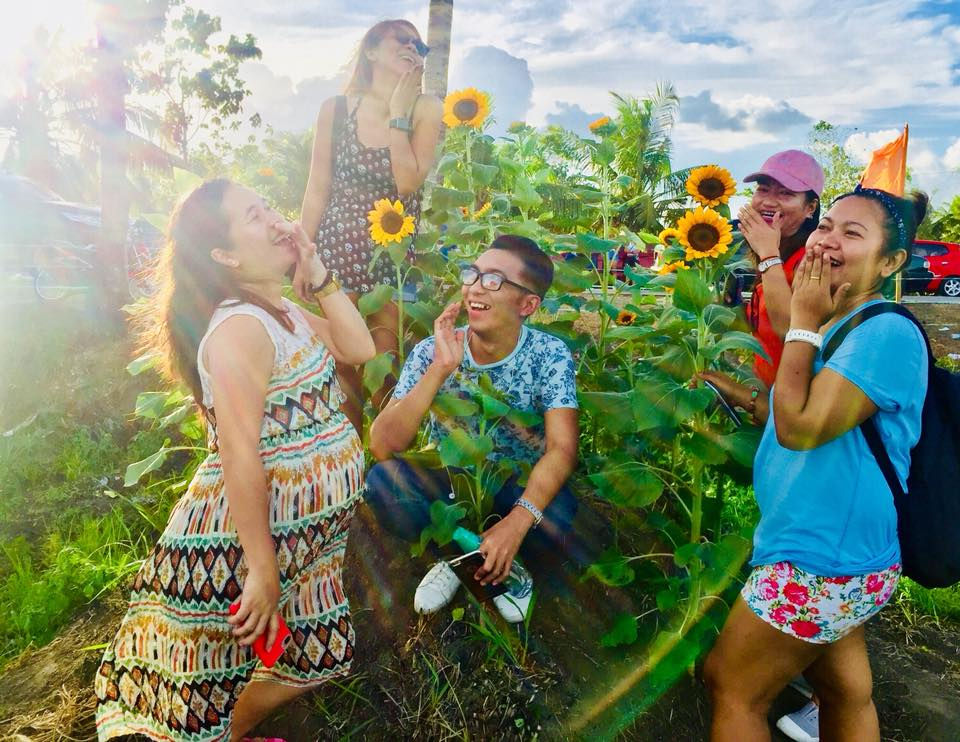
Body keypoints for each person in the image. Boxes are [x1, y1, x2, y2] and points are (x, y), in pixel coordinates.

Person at [95, 180, 376, 741]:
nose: (276, 220)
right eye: (254, 215)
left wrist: (318, 273)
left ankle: (229, 734)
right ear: (224, 254)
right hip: (245, 544)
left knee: (317, 658)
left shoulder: (280, 311)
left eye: (269, 205)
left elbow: (359, 348)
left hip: (310, 543)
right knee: (210, 682)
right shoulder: (239, 328)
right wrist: (263, 569)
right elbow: (238, 452)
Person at [703, 188, 929, 742]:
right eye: (827, 226)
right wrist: (733, 390)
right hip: (837, 553)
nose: (828, 240)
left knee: (733, 688)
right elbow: (793, 409)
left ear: (891, 262)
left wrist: (803, 321)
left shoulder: (884, 333)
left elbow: (801, 429)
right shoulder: (842, 321)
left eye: (852, 234)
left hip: (821, 559)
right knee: (842, 692)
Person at [365, 235, 580, 622]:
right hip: (452, 485)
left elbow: (562, 449)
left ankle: (501, 552)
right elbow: (382, 445)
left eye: (494, 280)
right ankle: (462, 556)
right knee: (383, 483)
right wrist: (440, 368)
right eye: (473, 274)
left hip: (515, 486)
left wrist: (518, 521)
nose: (475, 287)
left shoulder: (549, 355)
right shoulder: (433, 350)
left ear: (528, 305)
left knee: (561, 514)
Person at [300, 19, 443, 432]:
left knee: (384, 369)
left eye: (419, 45)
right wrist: (303, 255)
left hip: (392, 257)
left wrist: (398, 114)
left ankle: (383, 461)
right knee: (342, 366)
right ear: (372, 50)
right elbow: (317, 187)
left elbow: (408, 182)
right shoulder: (337, 109)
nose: (413, 47)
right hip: (336, 250)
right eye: (403, 39)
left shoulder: (425, 109)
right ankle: (347, 458)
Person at [735, 150, 824, 388]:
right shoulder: (775, 252)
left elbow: (791, 331)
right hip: (763, 395)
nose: (768, 202)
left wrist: (768, 254)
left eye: (786, 193)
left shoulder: (813, 259)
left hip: (789, 401)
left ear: (810, 207)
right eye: (763, 189)